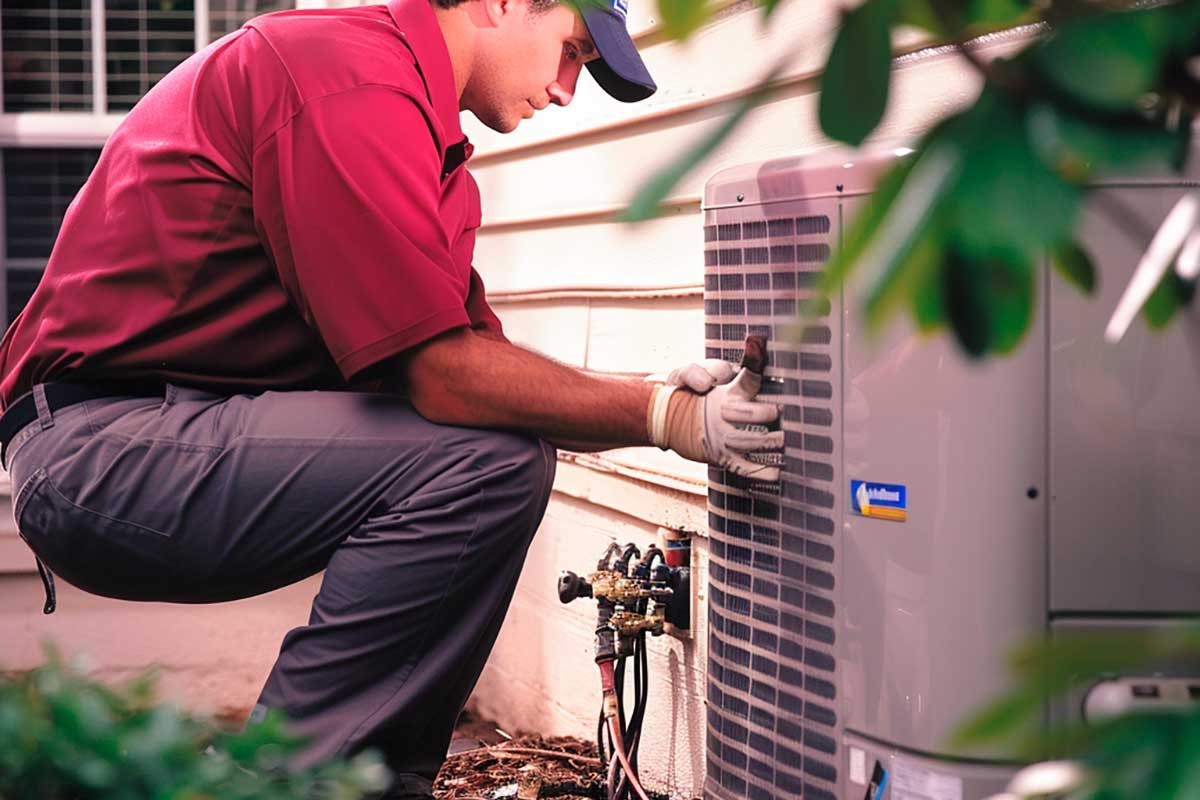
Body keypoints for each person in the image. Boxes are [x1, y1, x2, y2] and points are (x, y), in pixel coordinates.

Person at [0, 0, 781, 796]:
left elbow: (487, 372)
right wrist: (666, 419)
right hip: (101, 445)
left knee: (496, 452)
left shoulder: (421, 143)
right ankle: (288, 785)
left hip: (158, 432)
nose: (565, 91)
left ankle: (349, 782)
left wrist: (651, 390)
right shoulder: (340, 80)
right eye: (571, 52)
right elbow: (445, 378)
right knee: (486, 465)